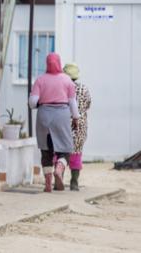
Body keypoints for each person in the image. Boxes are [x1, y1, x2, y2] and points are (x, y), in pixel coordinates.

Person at [29, 53, 80, 192]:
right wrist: (75, 118)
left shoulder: (40, 80)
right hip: (62, 116)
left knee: (46, 151)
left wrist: (42, 103)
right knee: (66, 149)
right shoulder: (67, 81)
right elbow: (72, 103)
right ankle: (59, 167)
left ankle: (47, 183)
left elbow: (32, 103)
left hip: (44, 115)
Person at [63, 63, 92, 191]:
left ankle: (58, 179)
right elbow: (88, 105)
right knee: (77, 152)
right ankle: (74, 182)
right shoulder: (84, 89)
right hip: (79, 126)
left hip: (63, 125)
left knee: (61, 152)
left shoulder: (62, 88)